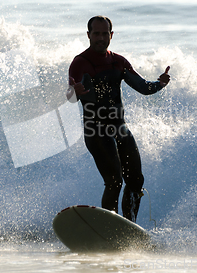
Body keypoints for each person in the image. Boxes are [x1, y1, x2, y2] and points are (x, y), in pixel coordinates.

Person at [67, 16, 170, 222]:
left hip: (119, 128)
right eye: (96, 33)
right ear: (88, 35)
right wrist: (74, 91)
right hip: (95, 130)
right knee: (114, 180)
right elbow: (70, 96)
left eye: (105, 33)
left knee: (136, 180)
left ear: (111, 35)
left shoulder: (118, 62)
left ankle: (128, 226)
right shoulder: (80, 63)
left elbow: (142, 87)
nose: (101, 38)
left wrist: (159, 84)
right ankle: (109, 226)